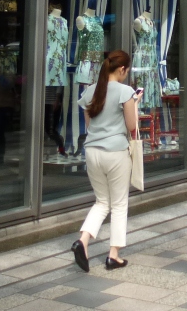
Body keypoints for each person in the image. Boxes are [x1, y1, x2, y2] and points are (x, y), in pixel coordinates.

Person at [72, 51, 140, 272]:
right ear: (121, 69)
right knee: (119, 203)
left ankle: (82, 241)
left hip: (92, 151)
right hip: (116, 152)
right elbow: (132, 126)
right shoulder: (126, 92)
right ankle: (113, 255)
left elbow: (90, 126)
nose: (126, 74)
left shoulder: (90, 91)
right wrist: (135, 103)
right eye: (126, 71)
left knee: (102, 201)